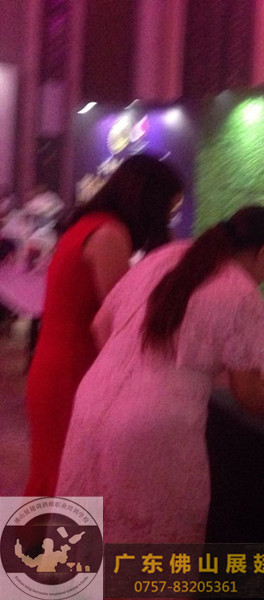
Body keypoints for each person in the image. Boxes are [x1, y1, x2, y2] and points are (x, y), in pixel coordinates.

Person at [56, 206, 264, 544]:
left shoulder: (166, 256)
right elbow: (248, 394)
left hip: (93, 398)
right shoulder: (242, 292)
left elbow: (102, 326)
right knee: (152, 544)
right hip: (154, 426)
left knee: (85, 533)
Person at [25, 154, 183, 497]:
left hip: (59, 365)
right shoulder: (109, 234)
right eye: (167, 209)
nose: (167, 219)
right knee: (68, 482)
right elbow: (120, 318)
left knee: (51, 479)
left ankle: (32, 537)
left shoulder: (91, 224)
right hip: (72, 370)